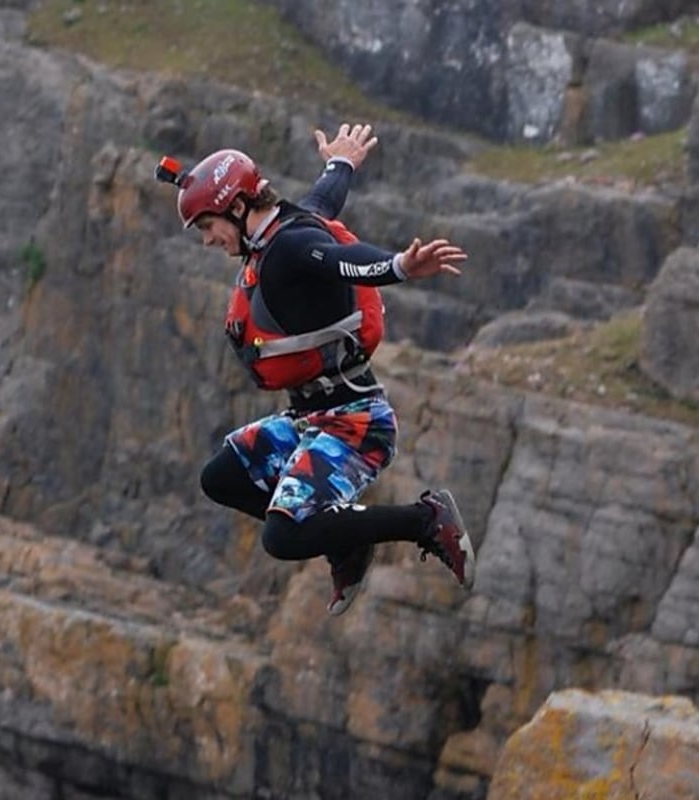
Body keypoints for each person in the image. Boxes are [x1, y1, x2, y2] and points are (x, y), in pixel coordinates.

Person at [155, 123, 476, 617]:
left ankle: (426, 519)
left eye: (206, 226)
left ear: (238, 207)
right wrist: (340, 164)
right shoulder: (282, 230)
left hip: (355, 425)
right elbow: (325, 200)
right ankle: (344, 542)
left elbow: (343, 260)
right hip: (309, 419)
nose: (207, 241)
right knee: (223, 476)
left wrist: (399, 267)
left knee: (283, 536)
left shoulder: (288, 249)